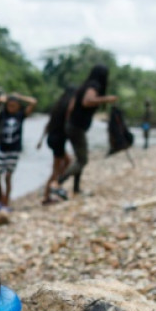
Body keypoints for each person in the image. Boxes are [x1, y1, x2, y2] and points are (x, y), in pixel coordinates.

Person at [57, 64, 119, 196]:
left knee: (79, 158)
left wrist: (69, 123)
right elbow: (87, 101)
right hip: (77, 127)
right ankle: (58, 182)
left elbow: (71, 107)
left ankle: (76, 188)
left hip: (73, 125)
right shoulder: (94, 86)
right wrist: (107, 99)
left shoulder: (83, 86)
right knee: (82, 160)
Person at [0, 92, 37, 210]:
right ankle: (1, 197)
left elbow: (33, 102)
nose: (11, 108)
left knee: (8, 176)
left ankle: (5, 202)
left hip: (14, 150)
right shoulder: (2, 114)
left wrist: (20, 96)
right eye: (9, 105)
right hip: (2, 149)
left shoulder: (21, 115)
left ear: (18, 106)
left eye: (14, 105)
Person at [37, 87, 75, 205]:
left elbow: (47, 125)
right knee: (55, 170)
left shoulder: (57, 108)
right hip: (58, 140)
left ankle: (56, 184)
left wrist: (40, 140)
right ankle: (48, 194)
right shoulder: (68, 108)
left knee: (68, 161)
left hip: (52, 139)